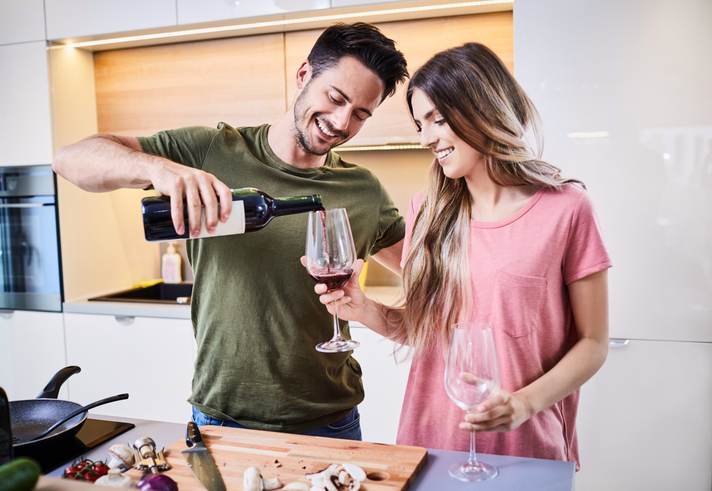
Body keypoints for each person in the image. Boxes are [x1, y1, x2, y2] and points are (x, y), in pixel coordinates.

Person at [53, 23, 409, 440]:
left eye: (361, 114)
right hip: (222, 419)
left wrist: (373, 310)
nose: (340, 122)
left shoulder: (363, 191)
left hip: (330, 422)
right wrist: (157, 167)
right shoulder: (211, 151)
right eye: (335, 98)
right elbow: (70, 160)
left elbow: (434, 288)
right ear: (303, 75)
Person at [313, 42, 610, 467]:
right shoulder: (428, 212)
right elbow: (421, 330)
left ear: (481, 108)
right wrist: (362, 309)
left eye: (438, 119)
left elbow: (593, 342)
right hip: (429, 441)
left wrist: (523, 404)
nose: (427, 138)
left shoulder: (566, 208)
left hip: (525, 446)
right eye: (420, 124)